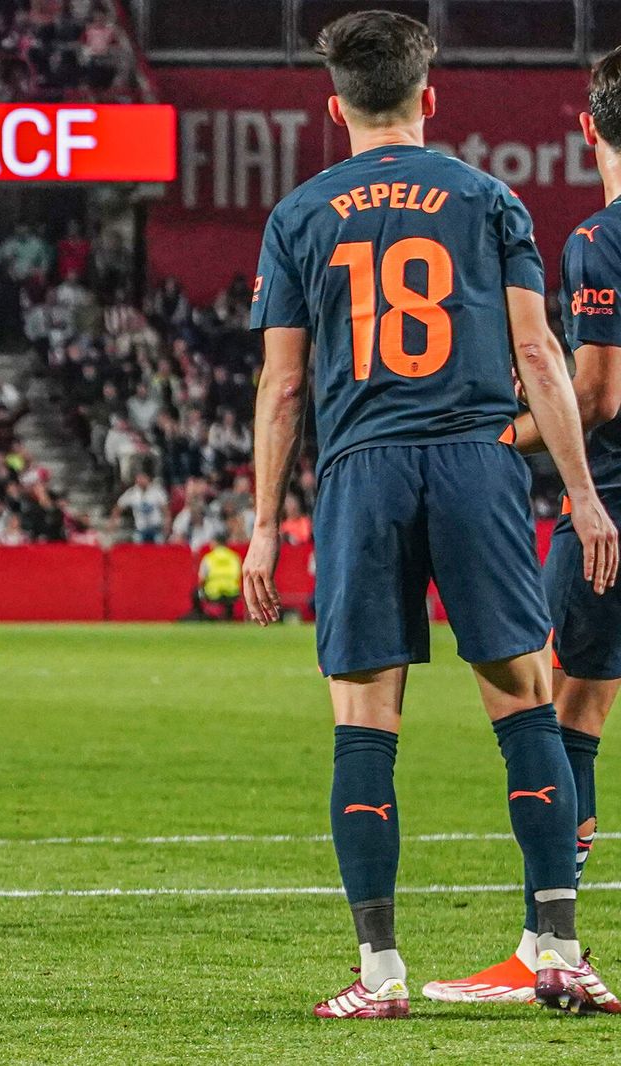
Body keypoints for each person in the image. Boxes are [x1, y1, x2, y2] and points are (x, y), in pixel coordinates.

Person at [242, 10, 620, 1018]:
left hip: (363, 471)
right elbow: (540, 358)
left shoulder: (298, 215)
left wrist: (257, 525)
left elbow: (282, 389)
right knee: (523, 697)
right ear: (430, 97)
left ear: (335, 107)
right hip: (476, 460)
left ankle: (379, 975)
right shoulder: (487, 197)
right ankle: (556, 946)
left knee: (365, 719)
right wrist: (583, 497)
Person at [426, 46, 621, 1009]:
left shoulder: (598, 238)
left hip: (613, 512)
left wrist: (499, 434)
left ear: (588, 129)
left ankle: (548, 945)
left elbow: (594, 393)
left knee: (559, 712)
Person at [192, 540, 241, 621]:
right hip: (232, 592)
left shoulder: (209, 558)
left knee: (195, 593)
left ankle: (203, 616)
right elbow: (239, 575)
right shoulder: (234, 557)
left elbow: (202, 579)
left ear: (215, 543)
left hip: (213, 593)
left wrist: (202, 589)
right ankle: (228, 615)